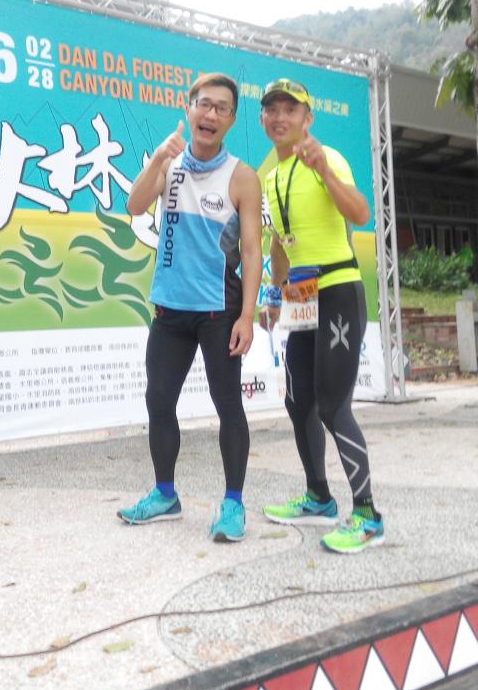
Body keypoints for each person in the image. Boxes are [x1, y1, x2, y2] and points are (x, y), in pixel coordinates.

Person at [118, 72, 262, 542]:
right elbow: (135, 205)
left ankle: (233, 504)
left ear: (231, 119)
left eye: (221, 108)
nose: (211, 114)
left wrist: (247, 317)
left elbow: (253, 251)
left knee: (228, 406)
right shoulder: (171, 165)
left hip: (220, 311)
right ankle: (165, 494)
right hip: (170, 309)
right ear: (189, 108)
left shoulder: (242, 177)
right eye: (204, 104)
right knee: (159, 401)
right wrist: (158, 158)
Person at [258, 78, 384, 554]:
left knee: (333, 406)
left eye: (290, 109)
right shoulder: (271, 177)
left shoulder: (326, 158)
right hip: (301, 294)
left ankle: (368, 516)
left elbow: (360, 212)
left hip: (337, 289)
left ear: (307, 119)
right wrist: (274, 296)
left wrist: (325, 172)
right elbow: (279, 244)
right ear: (263, 119)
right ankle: (318, 497)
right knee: (298, 402)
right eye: (272, 110)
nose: (280, 117)